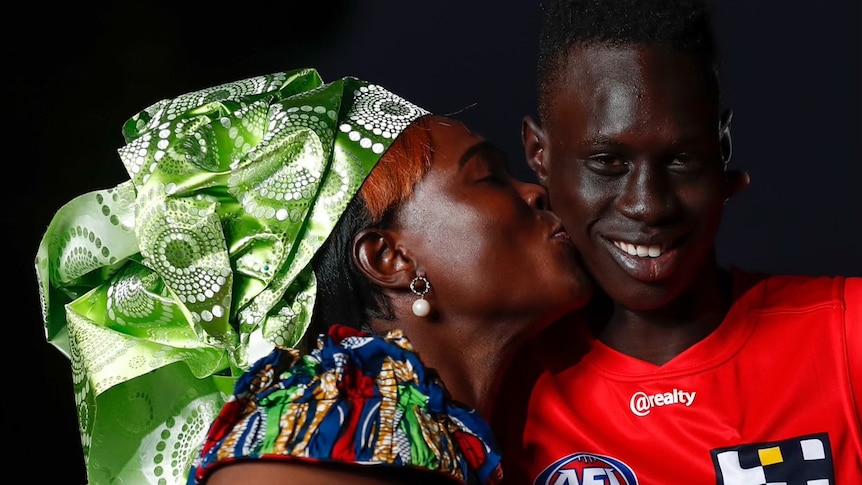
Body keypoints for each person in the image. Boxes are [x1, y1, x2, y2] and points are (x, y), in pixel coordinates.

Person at [37, 68, 593, 485]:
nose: (534, 191)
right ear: (389, 259)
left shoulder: (415, 425)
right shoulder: (330, 412)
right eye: (489, 177)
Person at [490, 0, 862, 483]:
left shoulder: (844, 336)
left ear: (721, 150)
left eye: (682, 159)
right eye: (607, 162)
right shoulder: (501, 383)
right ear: (539, 153)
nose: (649, 205)